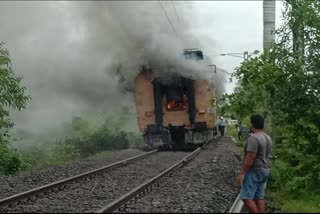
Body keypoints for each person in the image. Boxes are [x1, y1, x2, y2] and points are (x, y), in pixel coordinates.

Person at [236, 114, 272, 213]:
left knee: (246, 197)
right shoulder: (267, 137)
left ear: (252, 124)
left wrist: (242, 174)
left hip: (254, 171)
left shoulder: (254, 138)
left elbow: (250, 157)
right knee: (259, 197)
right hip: (264, 170)